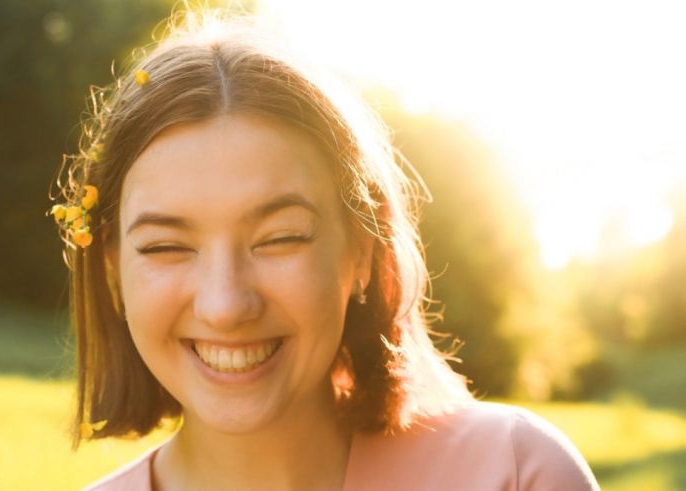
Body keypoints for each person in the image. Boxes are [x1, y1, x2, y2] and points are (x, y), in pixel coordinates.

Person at [50, 9, 600, 491]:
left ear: (362, 252)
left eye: (280, 239)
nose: (225, 305)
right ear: (112, 271)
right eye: (167, 246)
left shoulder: (514, 473)